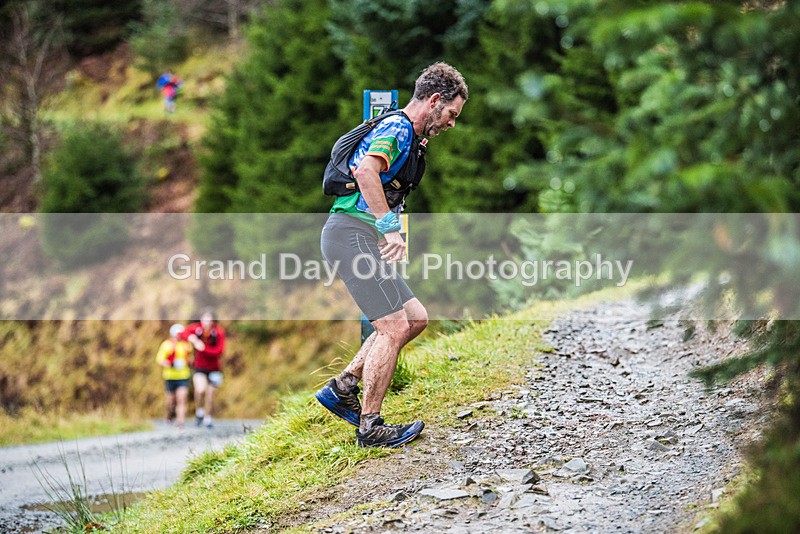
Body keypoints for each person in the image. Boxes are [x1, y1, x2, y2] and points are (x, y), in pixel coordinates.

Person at [316, 62, 468, 448]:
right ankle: (370, 426)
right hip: (351, 235)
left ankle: (343, 387)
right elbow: (366, 172)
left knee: (415, 318)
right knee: (394, 328)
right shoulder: (397, 128)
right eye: (451, 114)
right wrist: (389, 228)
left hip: (359, 237)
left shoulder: (410, 137)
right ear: (434, 101)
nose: (452, 123)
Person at [179, 309, 226, 428]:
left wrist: (203, 348)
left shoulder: (218, 332)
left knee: (210, 395)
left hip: (214, 368)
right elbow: (182, 333)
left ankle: (208, 418)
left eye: (209, 320)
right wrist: (193, 339)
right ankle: (199, 411)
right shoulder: (196, 329)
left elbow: (219, 351)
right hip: (200, 367)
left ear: (213, 321)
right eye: (205, 320)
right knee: (200, 390)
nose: (207, 323)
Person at [155, 324, 193, 429]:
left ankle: (180, 422)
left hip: (183, 376)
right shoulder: (167, 345)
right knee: (170, 401)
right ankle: (170, 414)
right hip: (170, 376)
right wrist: (171, 364)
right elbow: (160, 360)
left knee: (182, 398)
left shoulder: (186, 345)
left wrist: (188, 362)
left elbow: (190, 358)